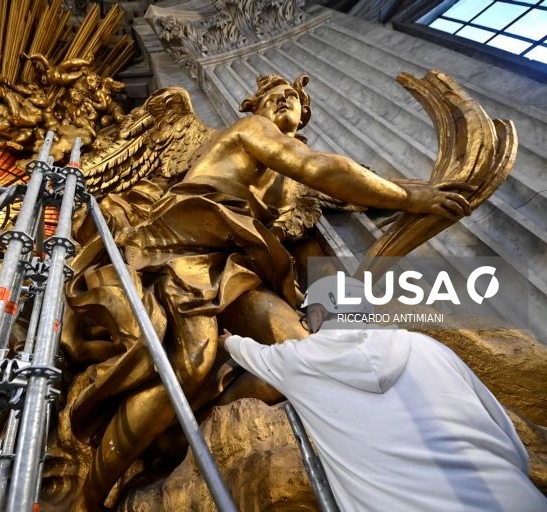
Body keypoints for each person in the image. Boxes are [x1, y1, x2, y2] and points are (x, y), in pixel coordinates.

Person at [66, 73, 476, 510]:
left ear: (304, 115)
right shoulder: (250, 133)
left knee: (300, 351)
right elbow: (323, 169)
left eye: (293, 100)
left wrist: (409, 192)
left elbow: (335, 182)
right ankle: (90, 494)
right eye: (273, 97)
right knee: (193, 362)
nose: (283, 102)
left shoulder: (292, 181)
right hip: (171, 249)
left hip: (228, 265)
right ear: (252, 108)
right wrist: (410, 200)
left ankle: (187, 434)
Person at [219, 275, 547, 512]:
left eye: (306, 318)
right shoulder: (426, 347)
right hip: (512, 497)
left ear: (318, 315)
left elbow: (250, 353)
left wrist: (227, 341)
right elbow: (504, 431)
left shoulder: (298, 362)